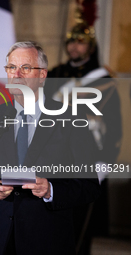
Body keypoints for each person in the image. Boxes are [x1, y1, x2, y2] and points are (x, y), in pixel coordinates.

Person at [0, 41, 101, 255]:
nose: (16, 74)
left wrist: (50, 190)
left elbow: (89, 186)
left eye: (25, 68)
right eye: (11, 68)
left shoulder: (71, 118)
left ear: (42, 75)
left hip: (46, 241)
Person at [45, 4, 122, 254]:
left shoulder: (103, 80)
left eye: (80, 42)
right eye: (71, 42)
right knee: (53, 221)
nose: (73, 47)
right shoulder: (56, 74)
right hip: (55, 157)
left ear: (90, 46)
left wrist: (105, 162)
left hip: (88, 157)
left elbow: (113, 126)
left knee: (81, 229)